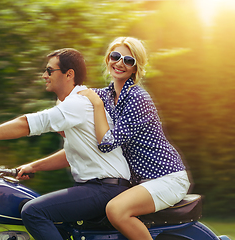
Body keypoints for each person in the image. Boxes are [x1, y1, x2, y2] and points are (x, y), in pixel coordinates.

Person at [0, 48, 132, 240]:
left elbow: (27, 124)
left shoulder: (78, 103)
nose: (44, 75)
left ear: (69, 74)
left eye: (49, 71)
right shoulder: (69, 103)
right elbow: (72, 153)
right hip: (99, 186)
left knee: (34, 212)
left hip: (104, 188)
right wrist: (34, 166)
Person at [78, 37, 191, 240]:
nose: (120, 63)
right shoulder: (106, 95)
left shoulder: (138, 97)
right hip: (142, 182)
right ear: (107, 59)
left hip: (166, 178)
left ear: (135, 67)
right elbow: (71, 97)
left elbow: (107, 143)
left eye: (128, 60)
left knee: (116, 210)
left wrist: (95, 106)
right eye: (115, 56)